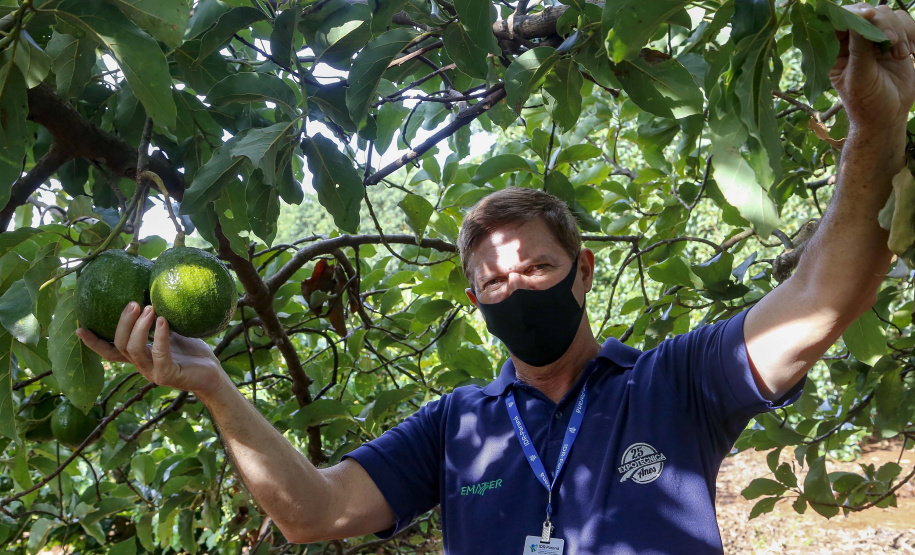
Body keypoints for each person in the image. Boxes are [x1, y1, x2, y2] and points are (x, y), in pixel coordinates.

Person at [77, 3, 915, 553]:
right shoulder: (455, 427)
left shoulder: (674, 382)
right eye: (495, 284)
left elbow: (822, 296)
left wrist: (872, 130)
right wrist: (214, 384)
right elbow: (313, 511)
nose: (518, 291)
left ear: (582, 271)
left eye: (538, 268)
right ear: (474, 299)